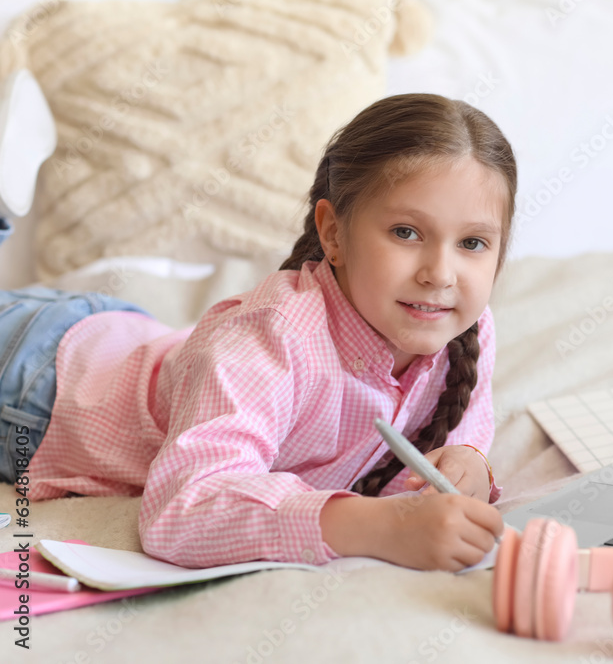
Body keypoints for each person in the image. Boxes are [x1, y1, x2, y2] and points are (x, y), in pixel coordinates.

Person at [0, 78, 515, 573]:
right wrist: (374, 526)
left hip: (126, 338)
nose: (440, 275)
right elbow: (181, 509)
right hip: (38, 385)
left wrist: (469, 461)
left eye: (472, 243)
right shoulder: (274, 336)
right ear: (333, 234)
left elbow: (460, 432)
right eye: (406, 232)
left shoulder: (465, 331)